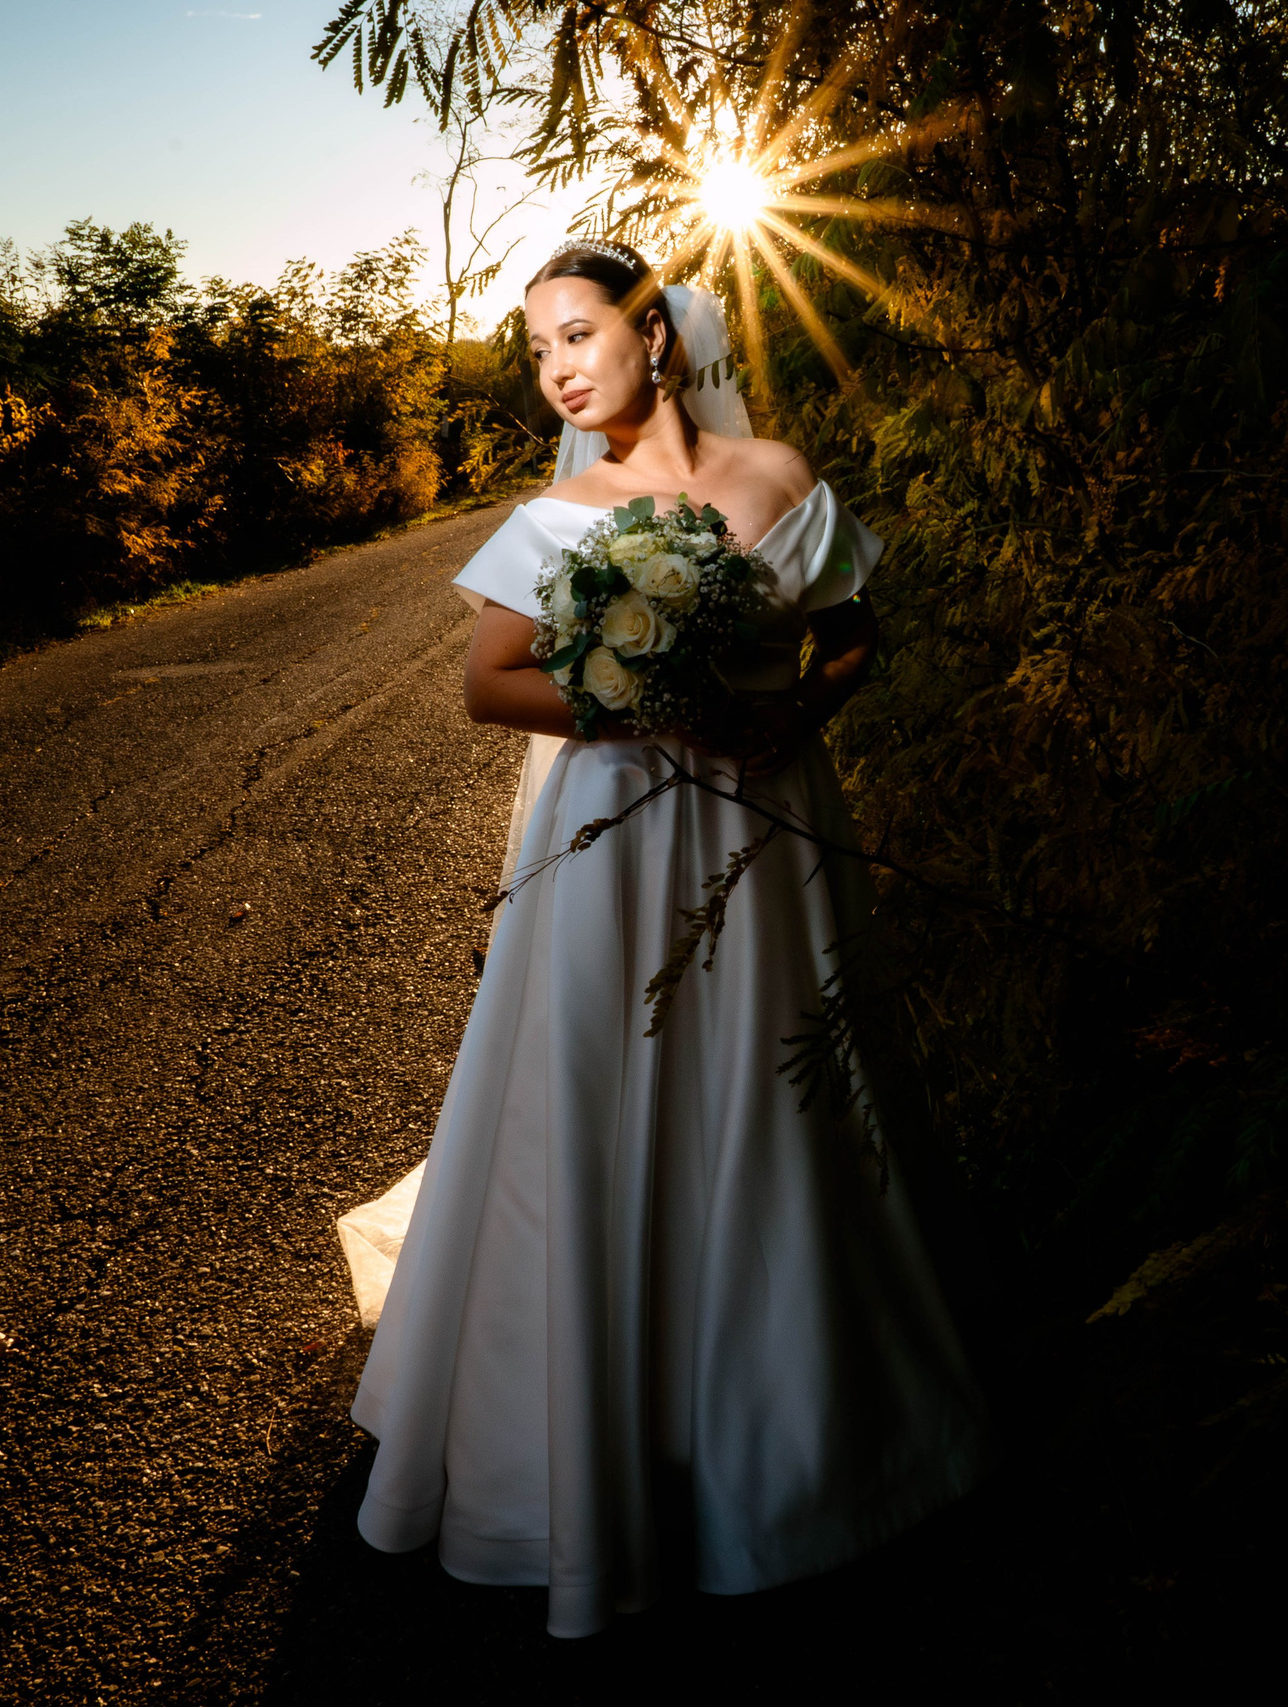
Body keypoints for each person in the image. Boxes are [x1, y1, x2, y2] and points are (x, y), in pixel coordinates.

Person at [344, 238, 988, 1639]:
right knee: (605, 1094)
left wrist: (796, 711)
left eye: (579, 333)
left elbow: (854, 634)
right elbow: (490, 686)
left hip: (768, 821)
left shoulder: (777, 479)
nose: (558, 369)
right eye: (537, 350)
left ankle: (788, 1437)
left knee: (770, 1088)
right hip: (618, 838)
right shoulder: (557, 515)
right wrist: (651, 704)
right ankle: (596, 1436)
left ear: (658, 336)